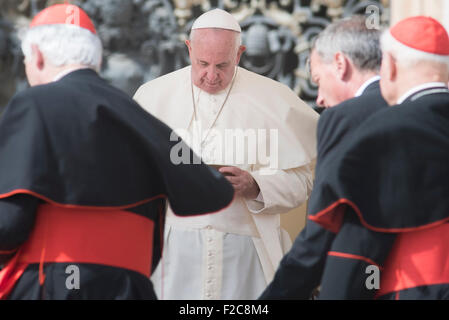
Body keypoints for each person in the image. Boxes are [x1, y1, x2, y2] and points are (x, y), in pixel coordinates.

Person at [0, 4, 234, 300]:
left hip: (55, 283)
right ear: (95, 59)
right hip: (129, 289)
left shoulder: (33, 104)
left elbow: (8, 225)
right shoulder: (140, 117)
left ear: (39, 56)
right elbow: (213, 192)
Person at [133, 8, 319, 299]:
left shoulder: (274, 98)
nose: (211, 76)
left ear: (240, 54)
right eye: (202, 63)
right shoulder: (152, 96)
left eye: (222, 65)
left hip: (246, 255)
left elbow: (302, 182)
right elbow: (131, 176)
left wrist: (256, 184)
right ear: (188, 48)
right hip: (173, 253)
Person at [264, 16, 449, 300]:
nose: (320, 101)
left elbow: (337, 232)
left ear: (392, 65)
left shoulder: (379, 128)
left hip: (410, 286)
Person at [260, 15, 388, 299]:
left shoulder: (344, 117)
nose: (318, 99)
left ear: (341, 64)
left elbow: (324, 220)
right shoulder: (418, 105)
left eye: (318, 80)